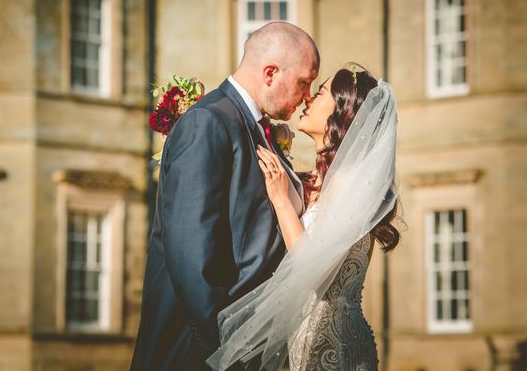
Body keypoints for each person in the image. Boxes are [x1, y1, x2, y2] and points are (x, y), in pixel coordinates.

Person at [131, 22, 320, 371]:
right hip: (197, 351)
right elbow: (192, 255)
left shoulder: (253, 127)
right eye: (304, 82)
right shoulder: (209, 122)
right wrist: (226, 349)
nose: (307, 95)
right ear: (270, 73)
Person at [207, 67, 400, 371]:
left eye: (320, 92)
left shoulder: (348, 181)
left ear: (342, 110)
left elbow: (313, 270)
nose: (308, 98)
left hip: (333, 344)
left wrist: (282, 200)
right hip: (306, 338)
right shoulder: (317, 181)